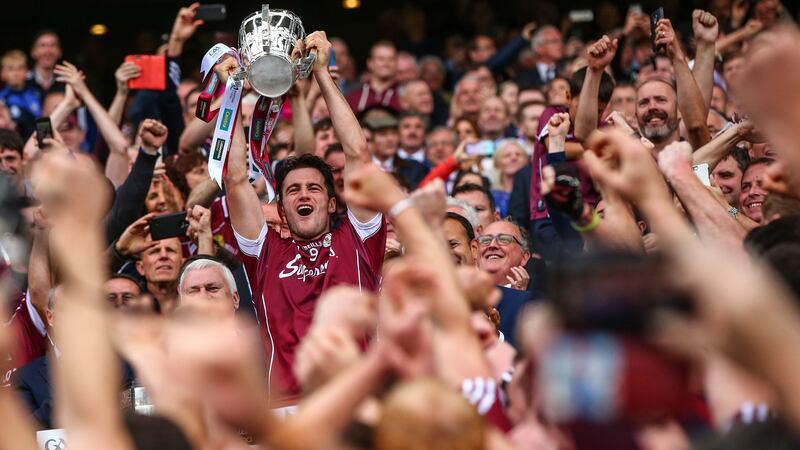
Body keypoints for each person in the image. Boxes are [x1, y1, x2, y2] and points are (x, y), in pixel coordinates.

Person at [221, 31, 387, 408]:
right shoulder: (264, 253)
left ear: (331, 203)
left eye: (314, 188)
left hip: (356, 403)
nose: (304, 195)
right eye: (293, 190)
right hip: (286, 411)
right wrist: (230, 91)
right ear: (281, 208)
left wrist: (323, 74)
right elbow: (234, 179)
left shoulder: (358, 241)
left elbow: (358, 153)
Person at [366, 114, 430, 190]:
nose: (390, 139)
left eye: (394, 133)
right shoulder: (362, 167)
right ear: (371, 139)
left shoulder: (414, 168)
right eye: (383, 134)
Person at [346, 41, 401, 113]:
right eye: (381, 59)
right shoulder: (353, 96)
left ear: (397, 63)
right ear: (370, 63)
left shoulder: (404, 95)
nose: (386, 63)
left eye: (391, 59)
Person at [0, 50, 41, 138]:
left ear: (26, 72)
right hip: (13, 143)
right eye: (10, 69)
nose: (16, 73)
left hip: (38, 143)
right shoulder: (1, 98)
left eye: (20, 68)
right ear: (2, 74)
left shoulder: (37, 93)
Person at [491, 139, 530, 217]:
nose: (513, 158)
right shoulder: (491, 195)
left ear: (527, 161)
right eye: (507, 155)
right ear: (497, 163)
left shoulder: (535, 193)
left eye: (518, 154)